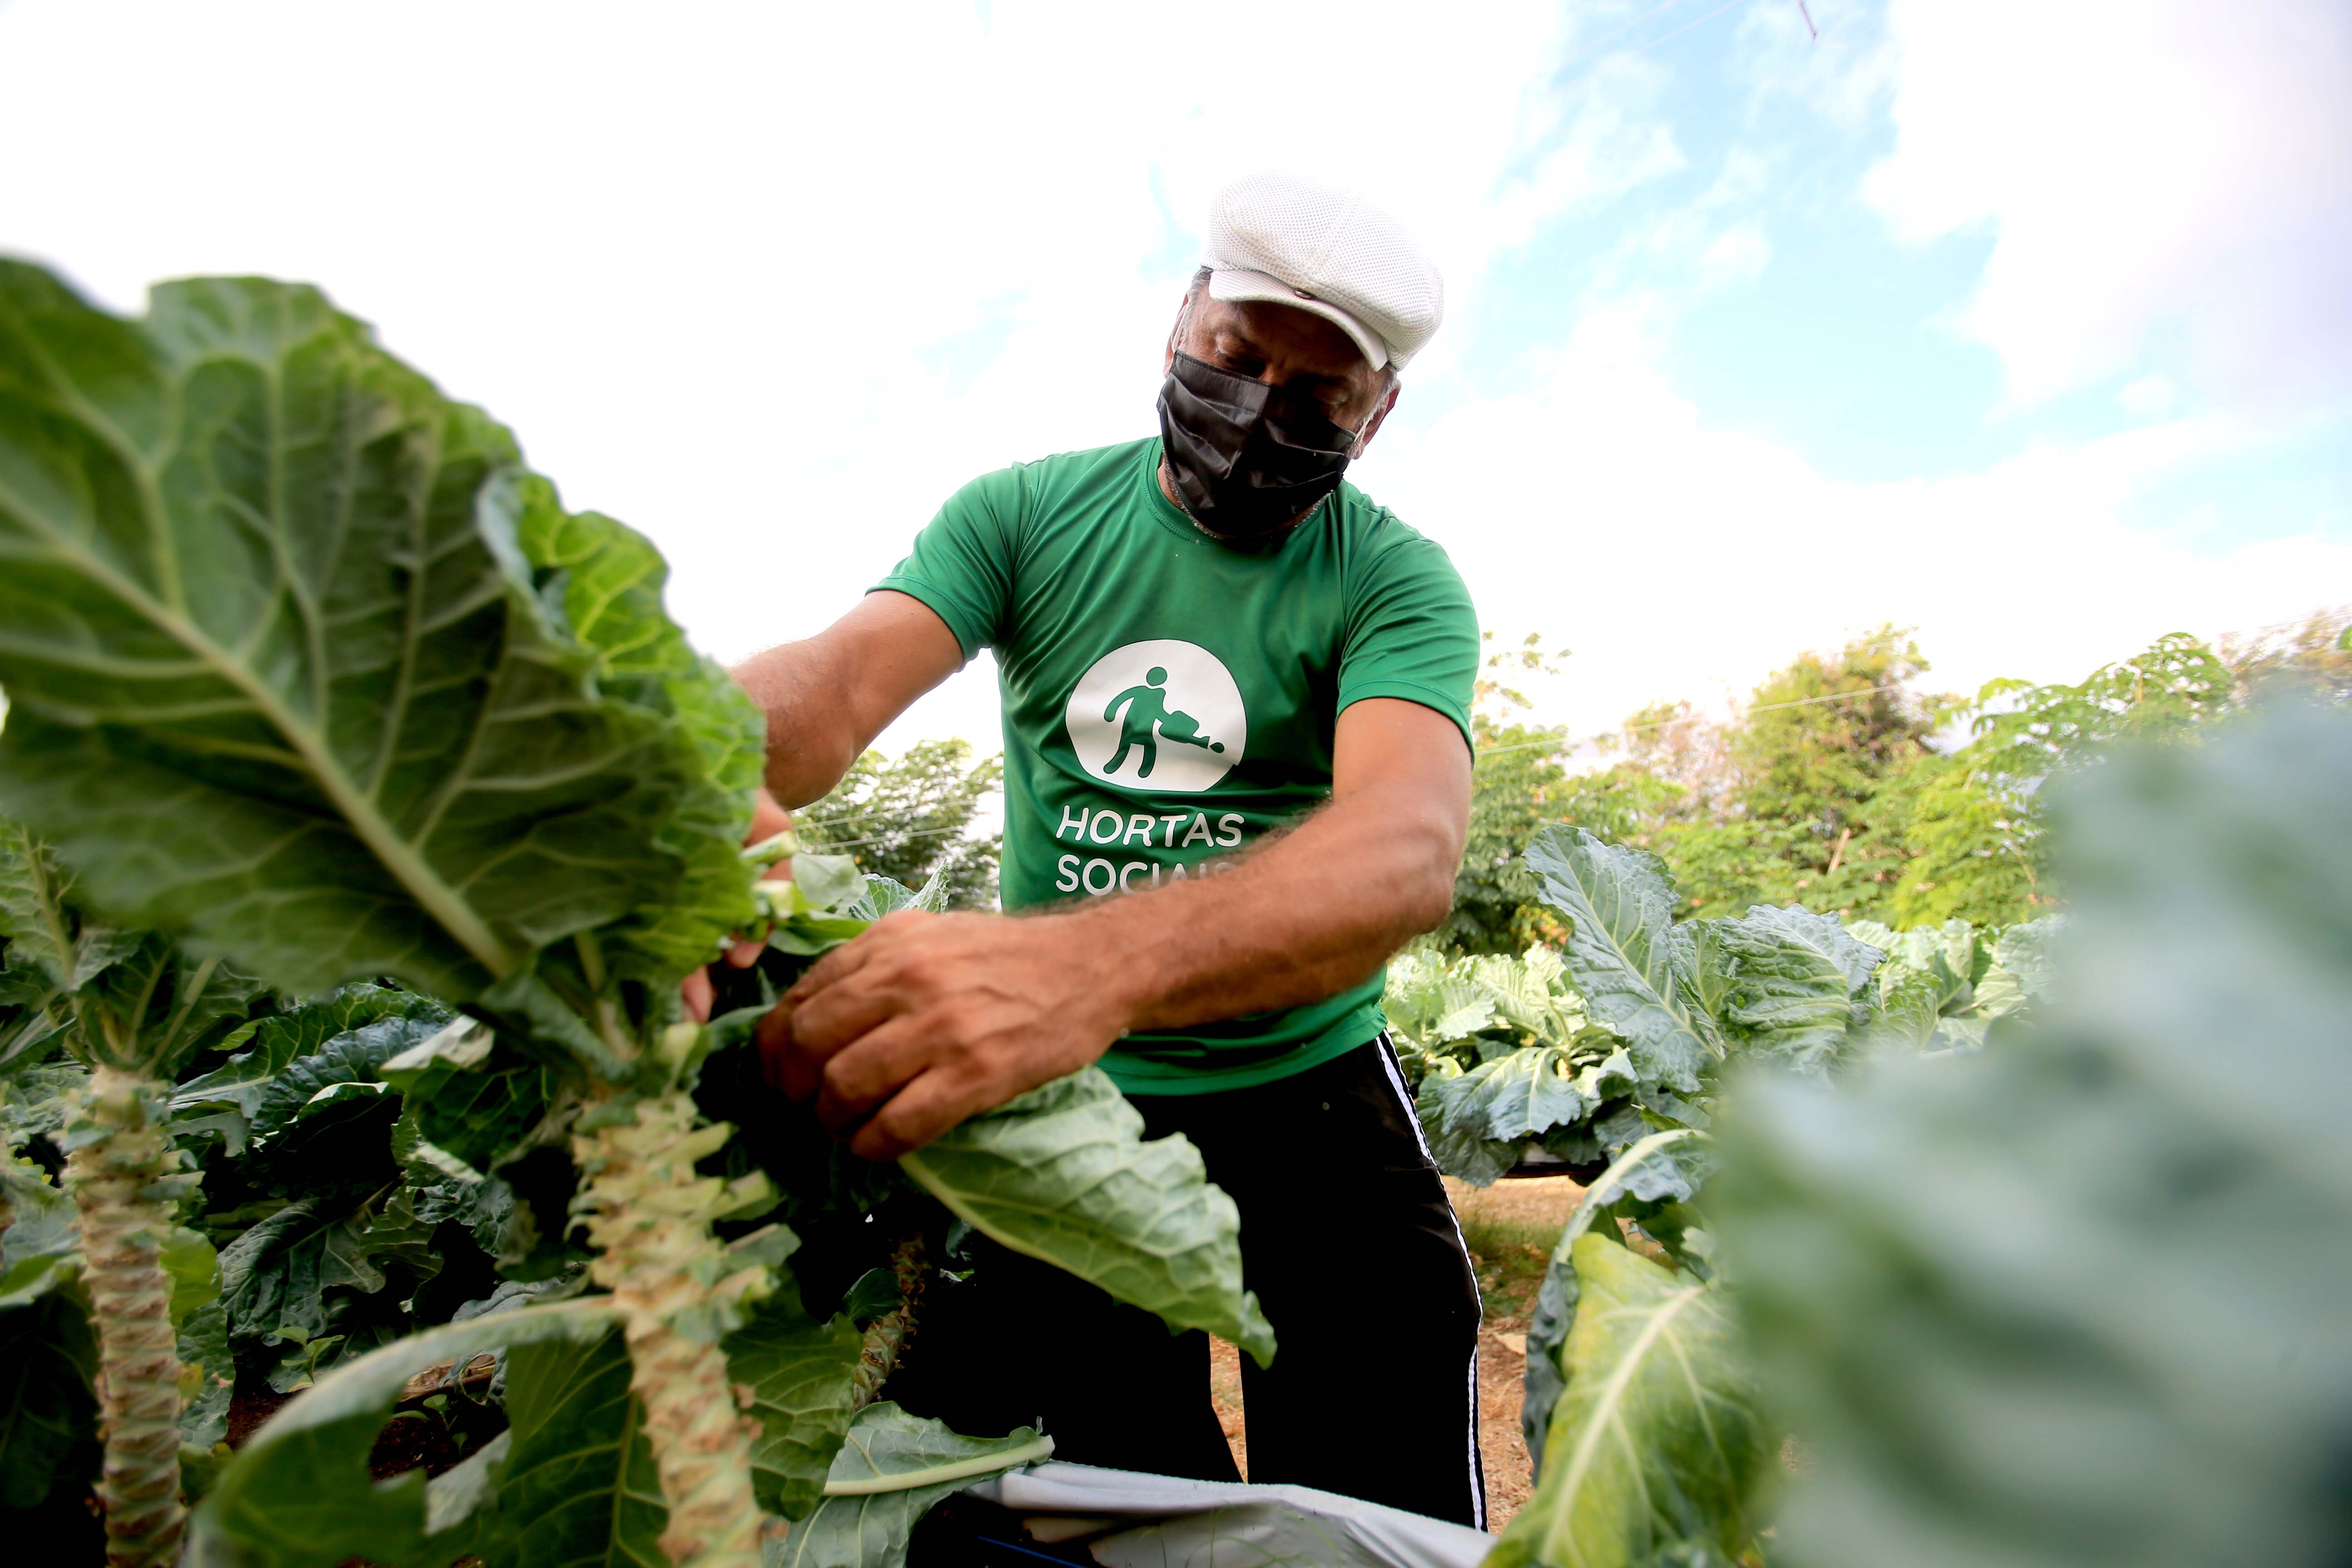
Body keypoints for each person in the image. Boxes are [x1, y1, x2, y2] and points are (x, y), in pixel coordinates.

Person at [727, 172, 1485, 1527]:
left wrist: (1086, 970)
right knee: (1127, 1501)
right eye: (1237, 355)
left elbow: (1404, 847)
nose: (1260, 408)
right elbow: (836, 689)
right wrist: (687, 768)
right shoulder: (1024, 516)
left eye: (1316, 395)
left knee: (1385, 1509)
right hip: (1074, 1114)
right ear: (1182, 318)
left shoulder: (1396, 581)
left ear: (1376, 415)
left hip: (1313, 1096)